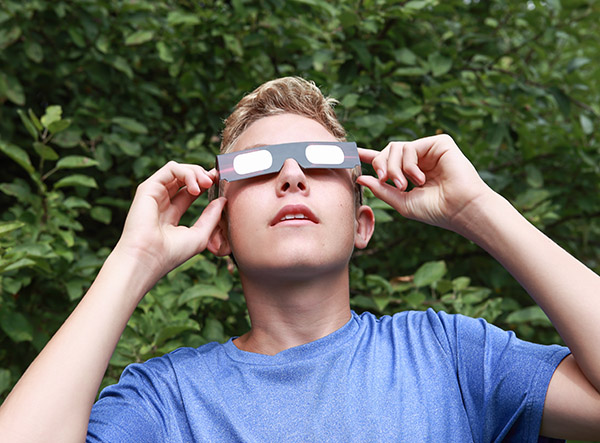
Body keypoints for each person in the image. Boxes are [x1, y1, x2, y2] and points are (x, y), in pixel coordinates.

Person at [1, 77, 599, 442]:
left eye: (318, 160)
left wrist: (478, 208)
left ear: (363, 222)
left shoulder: (449, 355)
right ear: (220, 232)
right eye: (258, 167)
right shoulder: (166, 400)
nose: (291, 174)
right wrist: (132, 259)